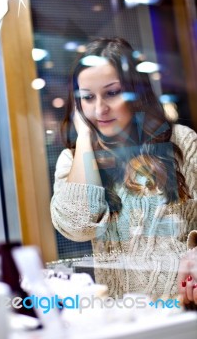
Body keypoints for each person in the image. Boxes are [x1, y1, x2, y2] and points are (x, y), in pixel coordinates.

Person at [50, 37, 197, 301]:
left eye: (112, 92)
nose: (100, 109)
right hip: (123, 317)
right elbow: (77, 226)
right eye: (87, 97)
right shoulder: (72, 159)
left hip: (183, 309)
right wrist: (83, 136)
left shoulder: (180, 142)